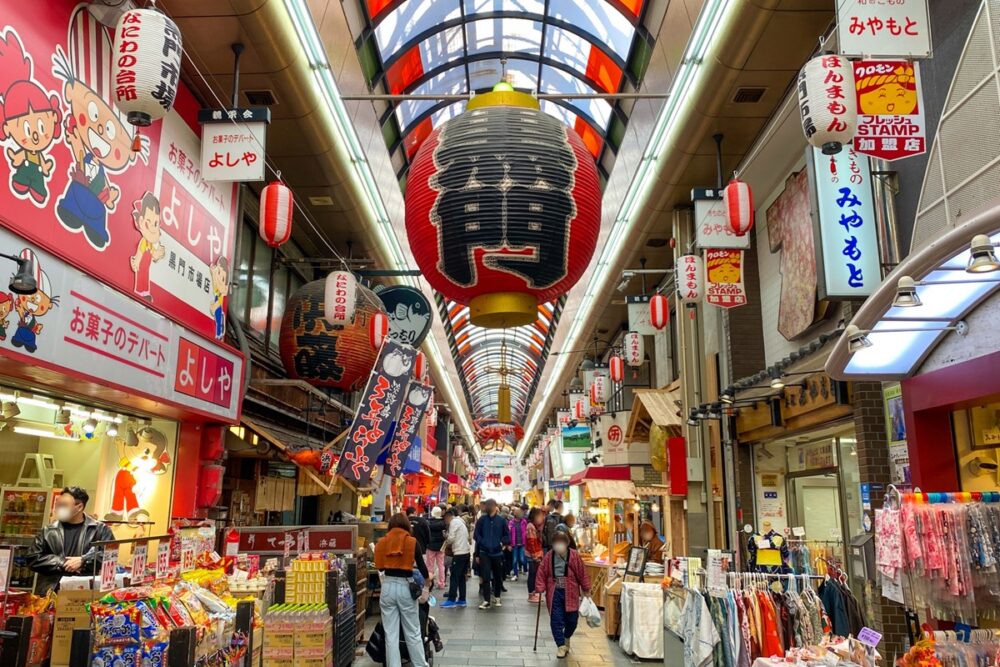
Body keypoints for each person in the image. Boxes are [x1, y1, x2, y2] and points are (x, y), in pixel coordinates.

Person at [26, 486, 114, 595]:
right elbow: (32, 558)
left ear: (79, 507)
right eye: (58, 505)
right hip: (50, 592)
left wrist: (84, 560)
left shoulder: (100, 529)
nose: (58, 509)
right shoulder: (48, 531)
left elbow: (110, 556)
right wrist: (62, 562)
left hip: (85, 592)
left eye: (64, 505)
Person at [374, 512, 429, 667]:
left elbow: (380, 566)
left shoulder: (382, 542)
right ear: (407, 525)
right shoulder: (412, 542)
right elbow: (423, 567)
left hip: (388, 587)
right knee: (412, 631)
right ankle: (420, 665)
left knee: (390, 634)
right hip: (406, 586)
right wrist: (427, 581)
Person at [535, 531, 592, 658]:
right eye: (556, 543)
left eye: (561, 543)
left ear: (566, 543)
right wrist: (540, 587)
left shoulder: (574, 556)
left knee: (572, 620)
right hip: (554, 590)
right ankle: (560, 645)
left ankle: (567, 637)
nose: (559, 546)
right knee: (556, 619)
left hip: (570, 590)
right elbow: (541, 572)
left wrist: (586, 589)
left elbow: (582, 573)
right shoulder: (549, 556)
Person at [473, 498, 509, 609]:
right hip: (484, 552)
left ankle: (497, 596)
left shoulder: (501, 521)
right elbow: (476, 535)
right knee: (485, 576)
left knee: (498, 576)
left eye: (489, 505)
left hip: (497, 553)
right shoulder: (482, 520)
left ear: (494, 506)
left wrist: (503, 543)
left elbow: (506, 535)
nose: (487, 507)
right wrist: (478, 552)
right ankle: (486, 599)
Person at [440, 508, 471, 608]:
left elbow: (451, 538)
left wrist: (446, 537)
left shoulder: (454, 522)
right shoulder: (461, 522)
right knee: (461, 577)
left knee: (454, 577)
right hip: (465, 552)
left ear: (448, 517)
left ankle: (451, 600)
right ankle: (462, 599)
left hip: (459, 553)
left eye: (445, 519)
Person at [525, 507, 545, 603]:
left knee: (535, 574)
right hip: (533, 555)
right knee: (532, 574)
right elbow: (531, 543)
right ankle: (531, 594)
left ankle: (535, 594)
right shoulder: (531, 526)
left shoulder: (535, 526)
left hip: (537, 554)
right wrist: (535, 556)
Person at [425, 506, 447, 590]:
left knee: (429, 565)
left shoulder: (429, 523)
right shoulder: (444, 523)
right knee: (441, 565)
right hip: (441, 547)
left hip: (430, 546)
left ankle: (429, 583)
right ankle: (441, 583)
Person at [508, 507, 528, 581]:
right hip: (514, 544)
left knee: (522, 559)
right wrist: (509, 544)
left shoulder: (524, 522)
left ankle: (525, 569)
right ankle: (516, 574)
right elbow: (509, 534)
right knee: (515, 560)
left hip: (522, 543)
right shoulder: (511, 522)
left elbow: (526, 532)